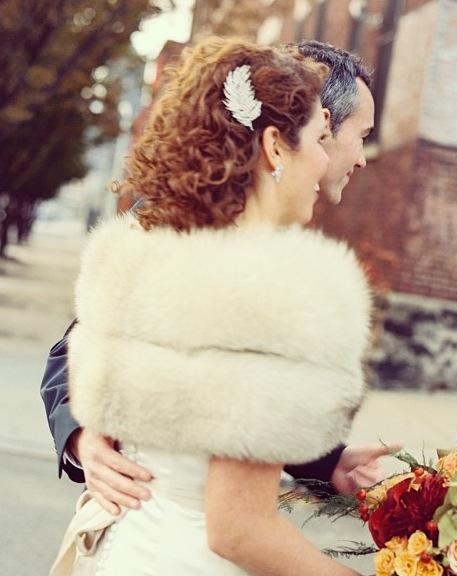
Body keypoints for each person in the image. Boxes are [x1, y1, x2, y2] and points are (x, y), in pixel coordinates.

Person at [49, 36, 373, 575]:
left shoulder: (144, 246)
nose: (329, 159)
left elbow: (210, 405)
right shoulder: (285, 288)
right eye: (323, 137)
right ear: (274, 148)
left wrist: (328, 461)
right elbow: (237, 528)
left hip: (123, 549)